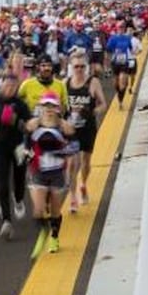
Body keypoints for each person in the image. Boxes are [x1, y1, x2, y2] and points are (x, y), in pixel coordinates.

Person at [25, 92, 76, 258]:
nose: (49, 109)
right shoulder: (33, 125)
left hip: (57, 173)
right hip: (38, 172)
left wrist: (66, 166)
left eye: (52, 106)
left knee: (55, 211)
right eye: (46, 106)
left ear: (58, 108)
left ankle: (54, 236)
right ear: (40, 107)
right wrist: (27, 156)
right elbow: (25, 145)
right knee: (38, 210)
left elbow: (73, 150)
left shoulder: (65, 127)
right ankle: (43, 230)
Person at [0, 74, 32, 240]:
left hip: (19, 146)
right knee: (2, 182)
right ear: (2, 86)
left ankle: (19, 199)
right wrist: (20, 123)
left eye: (13, 86)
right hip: (0, 146)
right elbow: (3, 116)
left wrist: (23, 124)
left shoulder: (21, 103)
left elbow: (29, 124)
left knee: (19, 179)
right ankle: (6, 220)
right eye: (6, 86)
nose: (9, 89)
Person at [64, 51, 107, 211]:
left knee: (85, 163)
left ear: (87, 67)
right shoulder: (65, 84)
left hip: (88, 128)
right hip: (71, 130)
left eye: (82, 66)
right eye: (76, 66)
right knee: (71, 164)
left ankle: (83, 184)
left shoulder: (93, 82)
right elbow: (60, 107)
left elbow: (103, 104)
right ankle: (73, 197)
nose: (79, 69)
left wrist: (92, 111)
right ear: (71, 67)